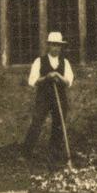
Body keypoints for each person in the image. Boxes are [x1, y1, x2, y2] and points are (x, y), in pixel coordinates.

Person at [21, 31, 75, 163]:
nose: (55, 48)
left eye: (58, 45)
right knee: (37, 122)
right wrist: (47, 77)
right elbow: (32, 81)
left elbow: (69, 81)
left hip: (59, 96)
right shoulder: (39, 61)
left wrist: (58, 77)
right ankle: (26, 153)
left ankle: (54, 153)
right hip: (44, 96)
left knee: (58, 124)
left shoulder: (65, 62)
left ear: (61, 47)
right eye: (53, 45)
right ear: (48, 46)